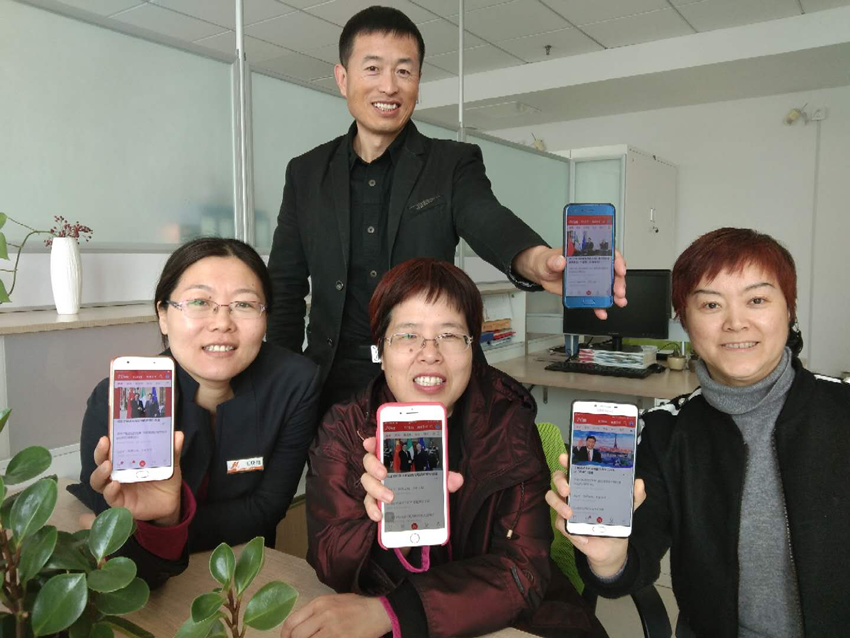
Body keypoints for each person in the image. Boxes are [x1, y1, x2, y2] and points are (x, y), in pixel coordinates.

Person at [265, 6, 626, 415]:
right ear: (343, 78)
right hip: (331, 387)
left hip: (430, 378)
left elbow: (487, 218)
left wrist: (538, 261)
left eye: (404, 71)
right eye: (373, 69)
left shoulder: (451, 163)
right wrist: (281, 388)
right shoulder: (306, 173)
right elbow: (285, 288)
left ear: (418, 81)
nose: (389, 86)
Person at [546, 228, 850, 636]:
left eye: (757, 300)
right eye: (710, 304)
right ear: (686, 321)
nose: (735, 323)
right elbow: (633, 562)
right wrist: (608, 558)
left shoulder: (842, 410)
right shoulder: (665, 430)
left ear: (789, 311)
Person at [282, 258, 605, 638]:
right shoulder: (345, 428)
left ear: (472, 347)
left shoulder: (508, 423)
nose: (430, 353)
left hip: (507, 623)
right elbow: (330, 562)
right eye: (407, 335)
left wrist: (395, 612)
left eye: (449, 335)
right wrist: (380, 522)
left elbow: (523, 570)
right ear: (380, 350)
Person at [69, 238, 321, 587]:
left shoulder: (294, 384)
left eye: (244, 304)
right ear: (163, 315)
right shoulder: (121, 398)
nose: (222, 322)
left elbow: (266, 509)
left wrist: (170, 522)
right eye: (200, 302)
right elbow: (114, 534)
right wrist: (156, 521)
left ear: (266, 317)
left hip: (245, 571)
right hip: (147, 579)